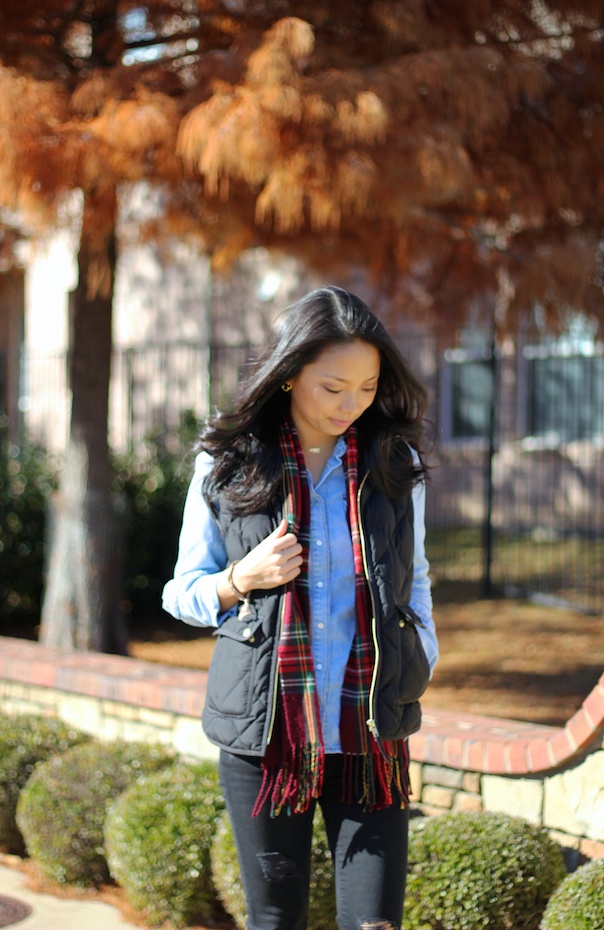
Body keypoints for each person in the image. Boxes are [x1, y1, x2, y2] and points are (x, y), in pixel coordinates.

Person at [162, 285, 439, 930]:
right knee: (276, 919)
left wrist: (422, 651)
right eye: (333, 387)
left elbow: (415, 579)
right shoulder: (226, 464)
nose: (352, 405)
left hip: (369, 730)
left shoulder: (394, 464)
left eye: (367, 387)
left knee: (375, 923)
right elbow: (181, 593)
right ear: (289, 376)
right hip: (266, 736)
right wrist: (240, 579)